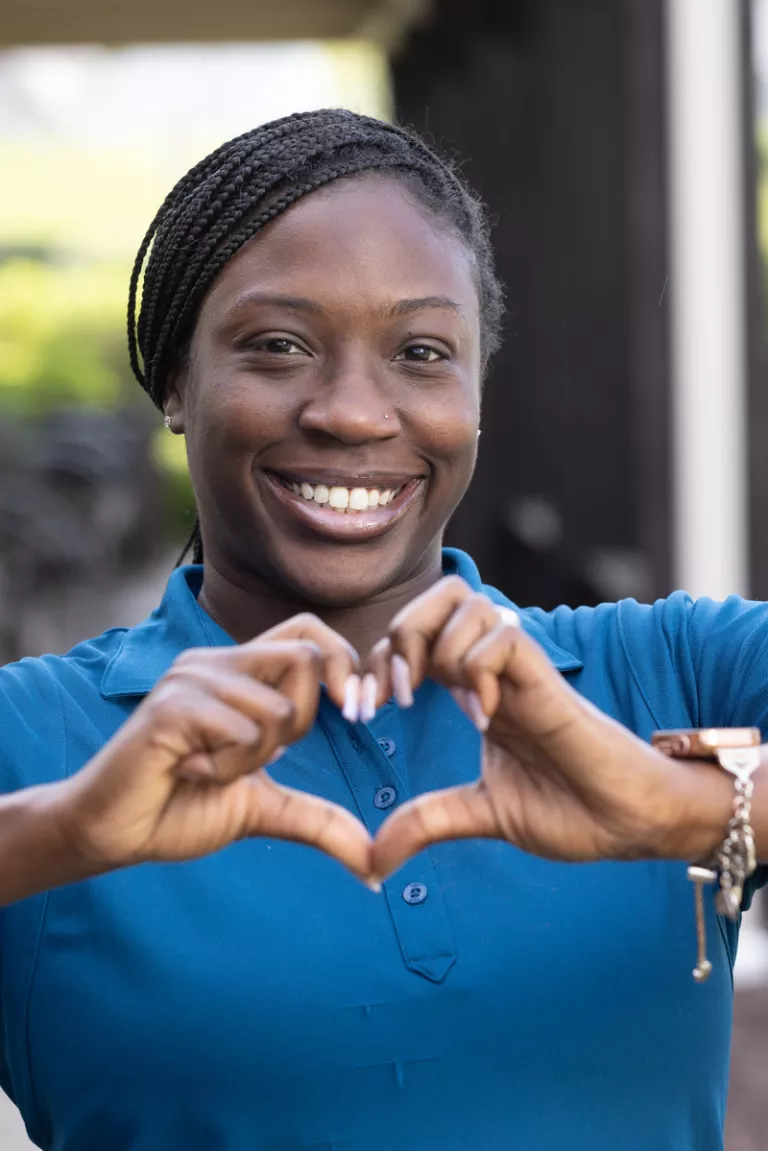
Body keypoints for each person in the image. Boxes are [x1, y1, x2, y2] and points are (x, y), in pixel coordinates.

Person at [0, 108, 766, 1151]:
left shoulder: (670, 675)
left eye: (421, 351)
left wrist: (682, 807)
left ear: (478, 390)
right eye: (279, 345)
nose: (354, 412)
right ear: (176, 382)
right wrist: (62, 832)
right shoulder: (43, 741)